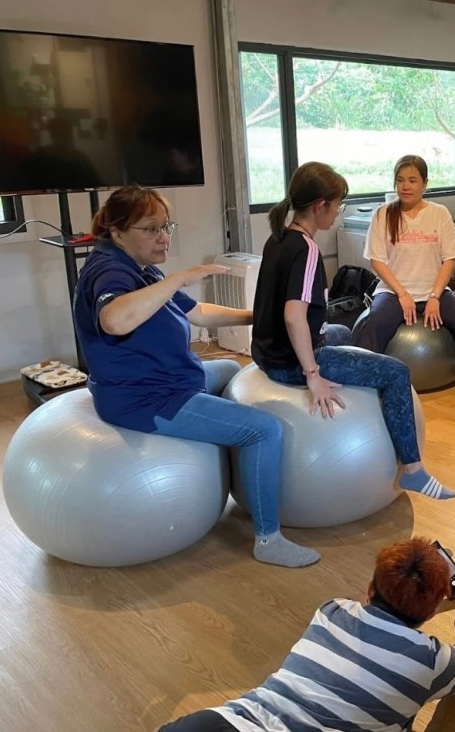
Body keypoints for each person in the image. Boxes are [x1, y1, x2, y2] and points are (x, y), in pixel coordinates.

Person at [72, 185, 318, 567]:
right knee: (264, 430)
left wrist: (259, 318)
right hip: (146, 399)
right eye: (151, 229)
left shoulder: (140, 267)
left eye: (166, 226)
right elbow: (115, 320)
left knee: (229, 368)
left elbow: (198, 312)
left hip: (169, 379)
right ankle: (268, 539)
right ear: (117, 232)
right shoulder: (108, 270)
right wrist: (178, 278)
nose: (163, 237)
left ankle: (236, 469)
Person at [252, 161, 455, 501]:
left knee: (343, 334)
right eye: (338, 205)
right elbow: (293, 317)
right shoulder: (307, 250)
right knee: (396, 372)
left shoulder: (278, 238)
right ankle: (413, 471)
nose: (337, 213)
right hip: (291, 360)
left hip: (267, 352)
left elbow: (273, 305)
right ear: (321, 206)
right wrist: (312, 374)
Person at [159, 537, 455, 732]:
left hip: (226, 723)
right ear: (430, 613)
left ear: (370, 588)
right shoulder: (431, 661)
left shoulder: (332, 611)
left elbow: (364, 608)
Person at [351, 155, 455, 397]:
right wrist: (402, 294)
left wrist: (435, 296)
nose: (405, 186)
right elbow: (376, 260)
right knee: (375, 323)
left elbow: (450, 258)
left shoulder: (439, 213)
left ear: (425, 184)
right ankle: (362, 382)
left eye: (412, 180)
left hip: (434, 290)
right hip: (393, 291)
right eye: (400, 180)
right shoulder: (383, 214)